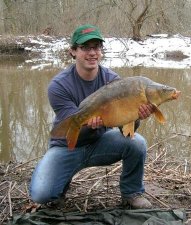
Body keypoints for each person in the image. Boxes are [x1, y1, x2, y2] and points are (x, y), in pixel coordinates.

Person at [30, 24, 154, 209]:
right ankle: (60, 185)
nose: (92, 53)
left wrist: (136, 116)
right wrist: (88, 124)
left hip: (100, 142)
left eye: (96, 47)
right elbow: (71, 124)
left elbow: (125, 129)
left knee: (137, 143)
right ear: (73, 51)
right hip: (67, 147)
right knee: (42, 194)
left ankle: (132, 192)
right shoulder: (59, 86)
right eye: (85, 48)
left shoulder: (113, 81)